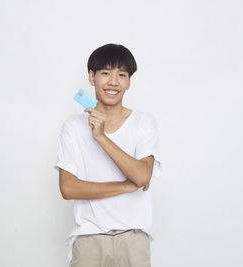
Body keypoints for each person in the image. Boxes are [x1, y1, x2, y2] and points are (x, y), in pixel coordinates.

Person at [54, 43, 162, 267]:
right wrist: (124, 186)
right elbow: (68, 188)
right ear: (92, 77)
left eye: (122, 74)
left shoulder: (143, 122)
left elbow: (142, 177)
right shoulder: (73, 126)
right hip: (88, 237)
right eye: (105, 73)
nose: (113, 82)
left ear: (129, 82)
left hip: (134, 238)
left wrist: (102, 138)